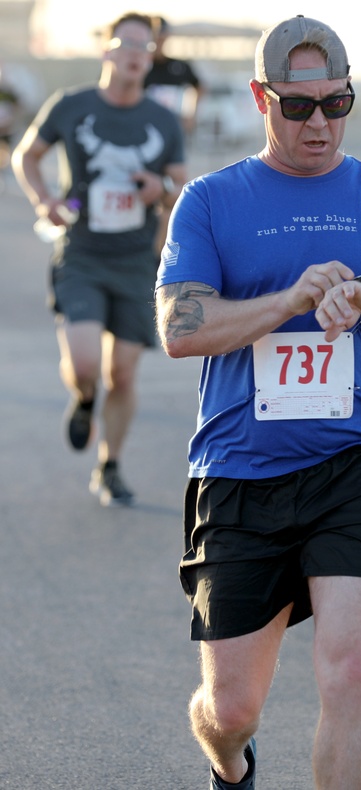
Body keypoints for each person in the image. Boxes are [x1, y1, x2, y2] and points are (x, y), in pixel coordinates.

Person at [153, 15, 361, 789]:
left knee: (353, 675)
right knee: (231, 709)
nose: (321, 123)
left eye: (338, 103)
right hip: (239, 473)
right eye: (299, 106)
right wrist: (290, 299)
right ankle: (232, 765)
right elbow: (179, 326)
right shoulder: (210, 200)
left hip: (354, 470)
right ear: (263, 98)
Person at [12, 11, 186, 507]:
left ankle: (109, 465)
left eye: (145, 47)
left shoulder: (162, 120)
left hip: (137, 262)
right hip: (82, 255)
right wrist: (44, 200)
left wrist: (162, 189)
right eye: (126, 43)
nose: (135, 53)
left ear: (150, 58)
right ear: (107, 50)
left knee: (124, 375)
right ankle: (84, 399)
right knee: (86, 362)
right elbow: (25, 156)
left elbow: (181, 186)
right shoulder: (72, 106)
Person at [144, 16, 205, 138]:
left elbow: (199, 87)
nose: (158, 42)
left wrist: (191, 115)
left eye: (161, 38)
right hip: (145, 127)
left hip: (173, 128)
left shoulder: (179, 67)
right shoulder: (140, 66)